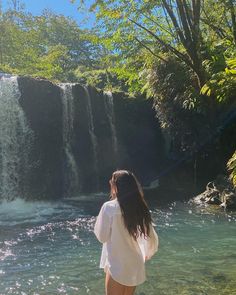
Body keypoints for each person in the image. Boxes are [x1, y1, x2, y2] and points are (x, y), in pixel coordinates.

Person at [94, 170, 159, 295]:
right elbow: (151, 236)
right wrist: (147, 253)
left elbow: (102, 237)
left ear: (115, 186)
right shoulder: (141, 207)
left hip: (117, 263)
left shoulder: (109, 208)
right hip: (135, 262)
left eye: (111, 182)